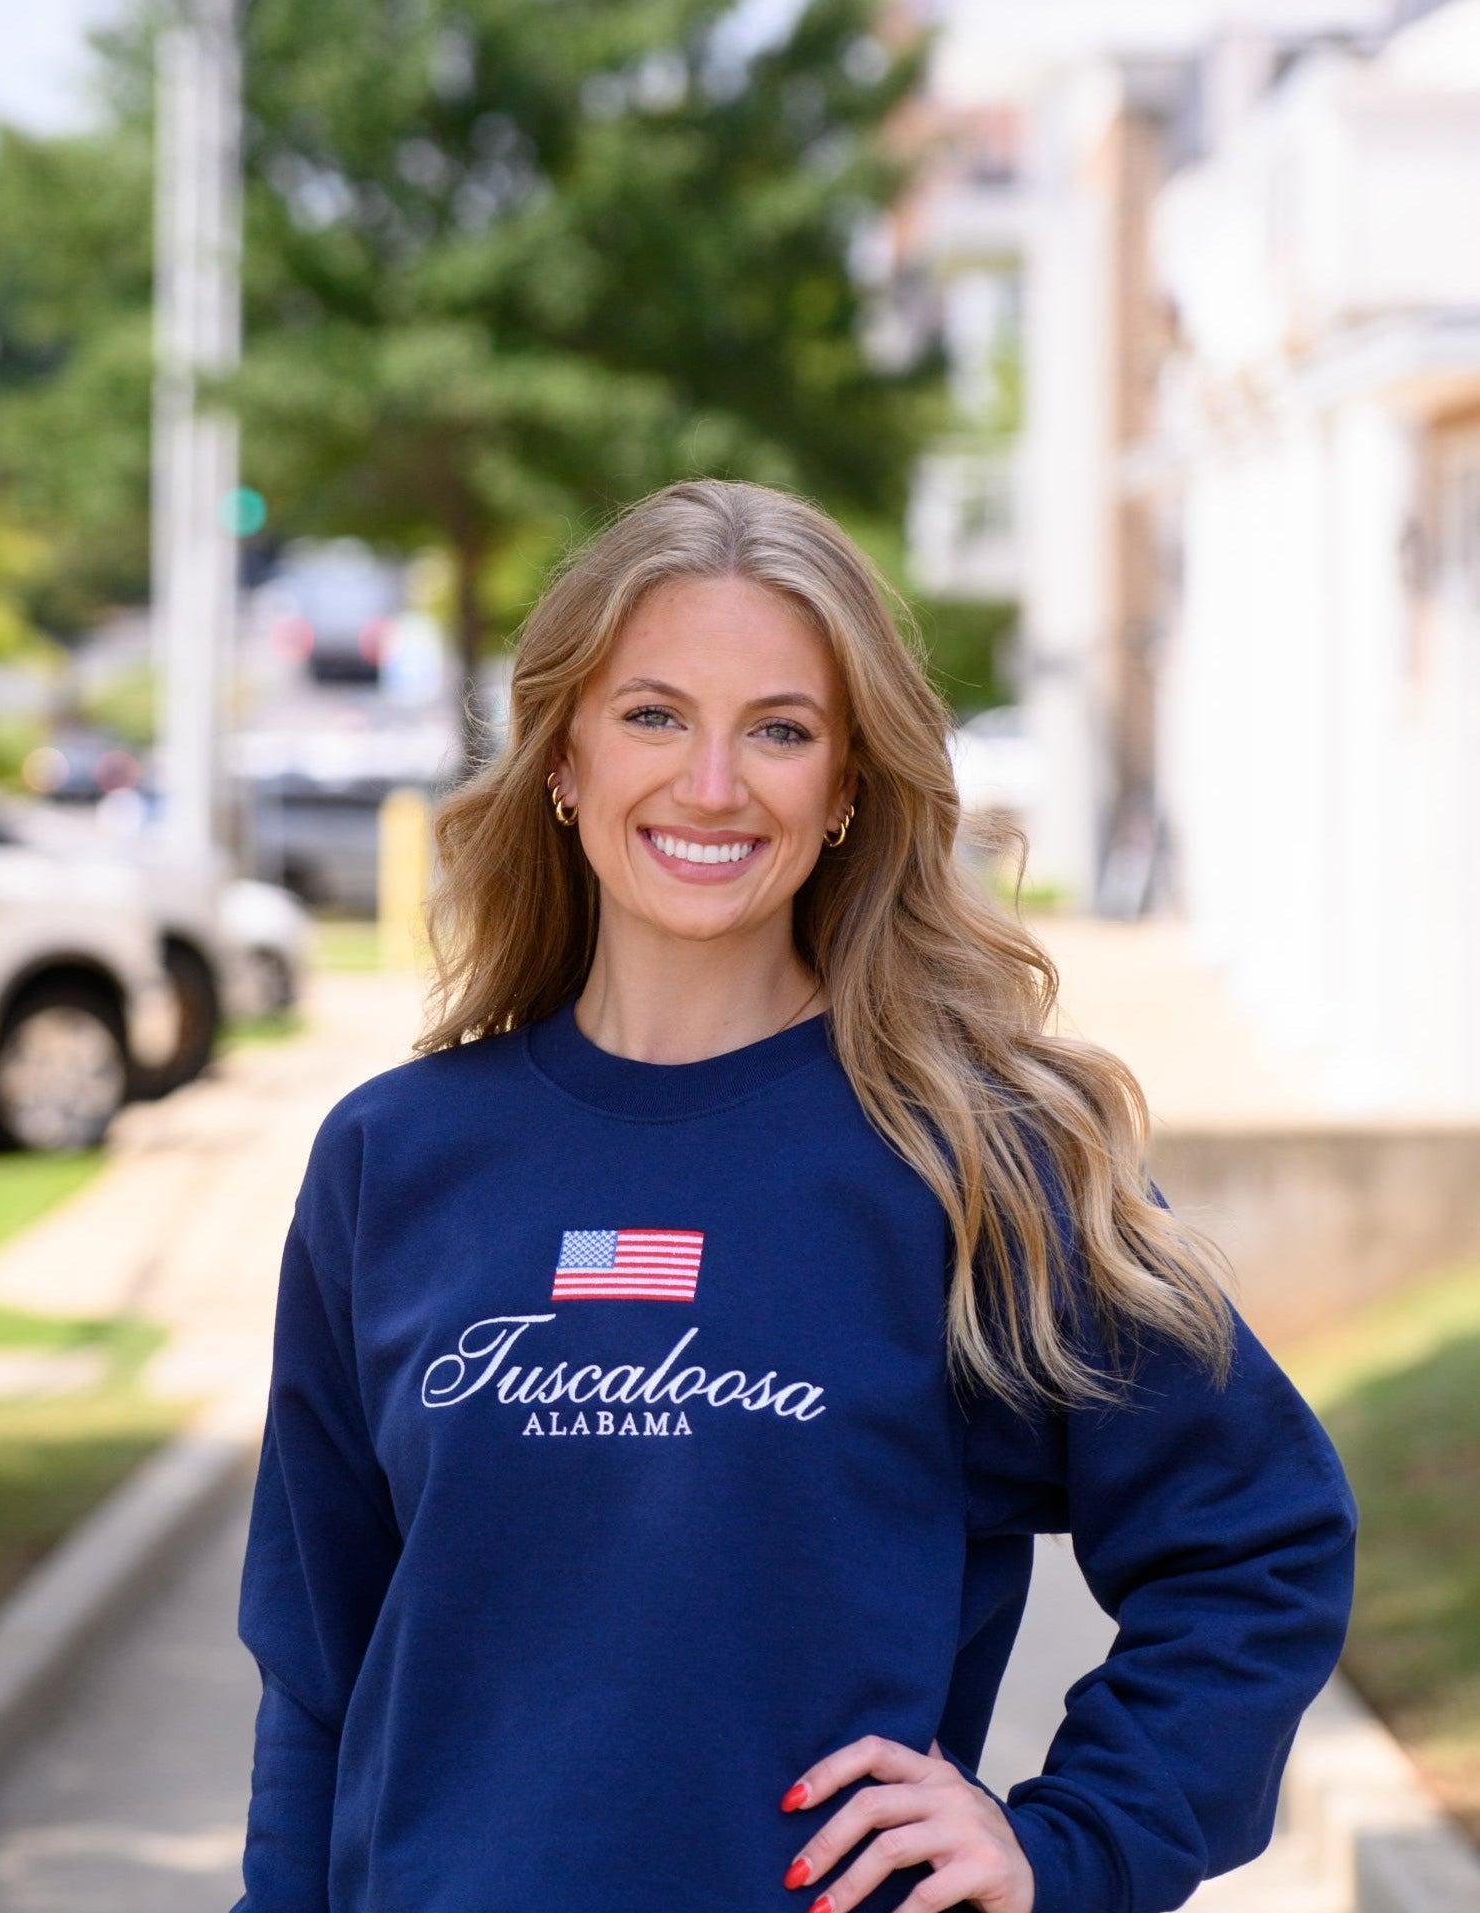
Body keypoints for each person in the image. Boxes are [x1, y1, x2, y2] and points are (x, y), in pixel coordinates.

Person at [229, 478, 1358, 1913]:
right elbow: (317, 1671)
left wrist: (1069, 1843)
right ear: (563, 755)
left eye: (780, 729)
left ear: (844, 790)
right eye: (653, 715)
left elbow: (1258, 1538)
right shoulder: (394, 1157)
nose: (712, 783)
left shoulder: (974, 1157)